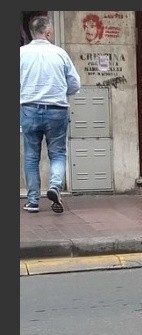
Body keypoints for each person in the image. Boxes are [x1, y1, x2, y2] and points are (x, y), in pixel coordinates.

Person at [20, 15, 81, 214]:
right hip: (57, 110)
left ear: (31, 33)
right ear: (47, 33)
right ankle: (54, 187)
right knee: (57, 153)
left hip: (29, 109)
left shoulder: (20, 53)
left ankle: (32, 201)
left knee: (30, 157)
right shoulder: (59, 53)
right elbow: (74, 84)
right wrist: (61, 92)